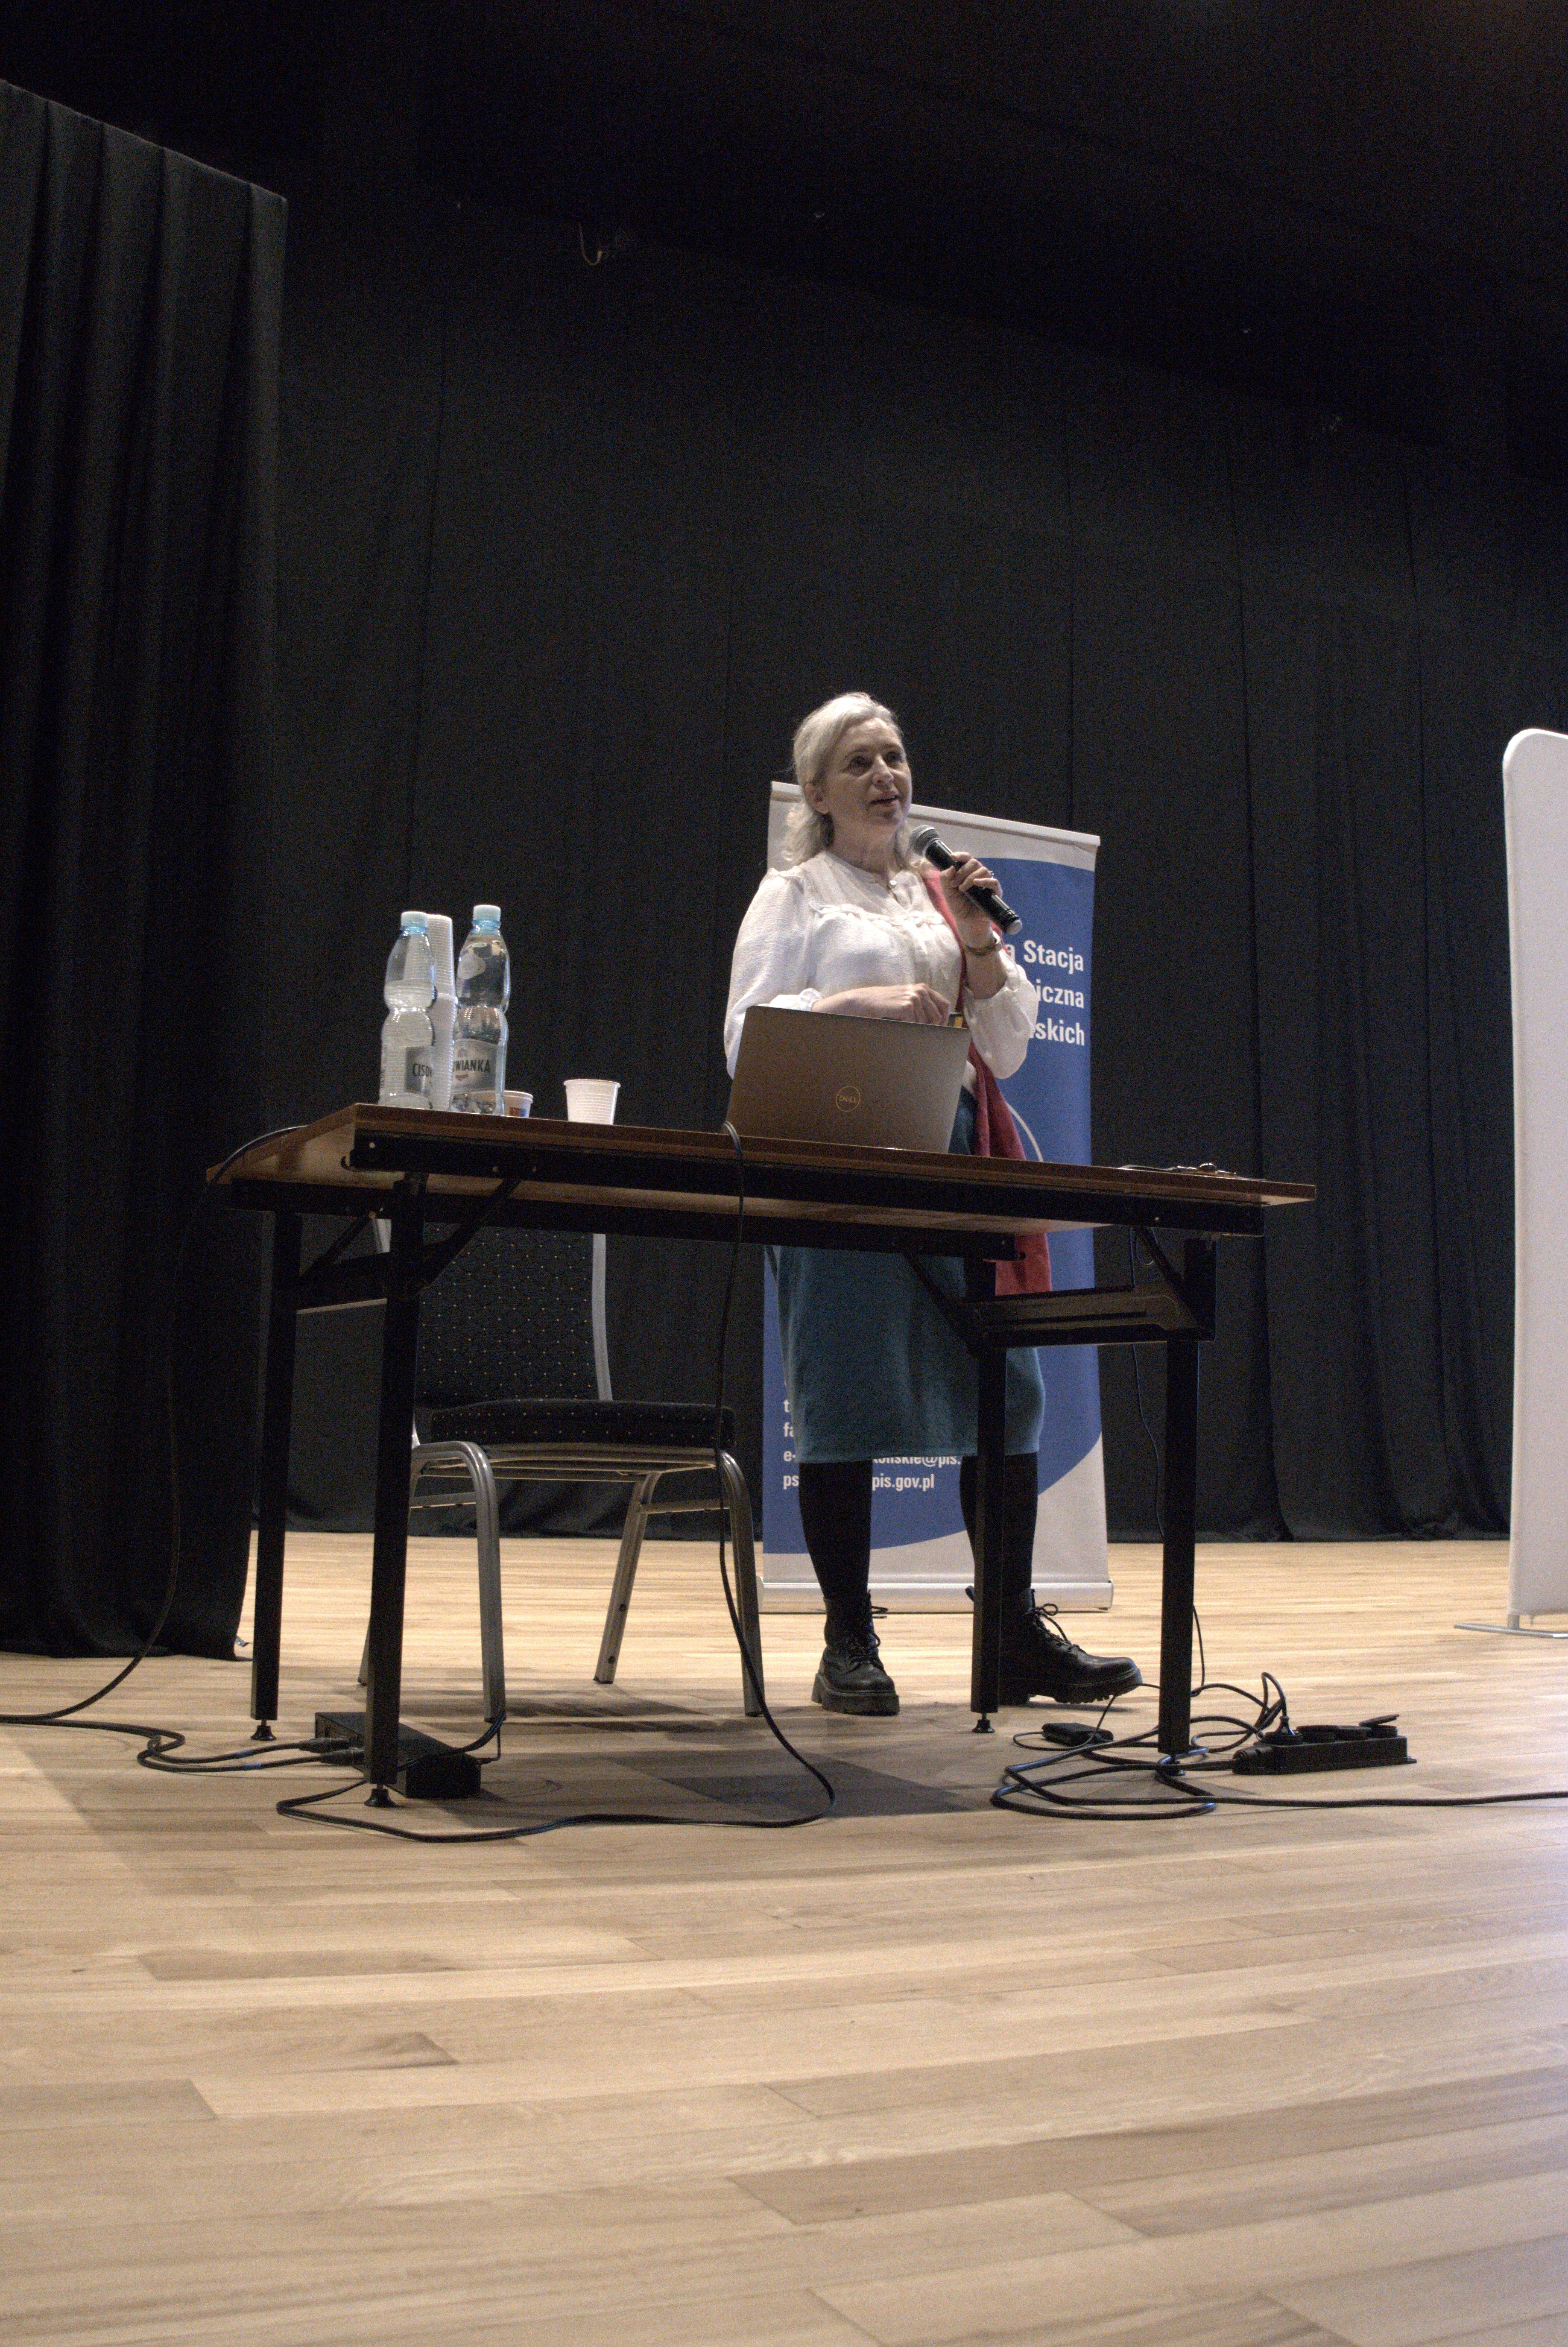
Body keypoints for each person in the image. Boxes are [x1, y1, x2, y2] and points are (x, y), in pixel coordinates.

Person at [725, 691, 1143, 1717]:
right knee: (845, 1394)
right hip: (844, 1159)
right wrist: (848, 1004)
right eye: (860, 762)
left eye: (895, 758)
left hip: (958, 1154)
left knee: (1004, 1391)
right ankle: (849, 1642)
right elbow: (744, 1038)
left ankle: (1009, 1635)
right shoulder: (795, 894)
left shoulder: (936, 897)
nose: (886, 777)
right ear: (817, 791)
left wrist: (980, 942)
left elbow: (1007, 1047)